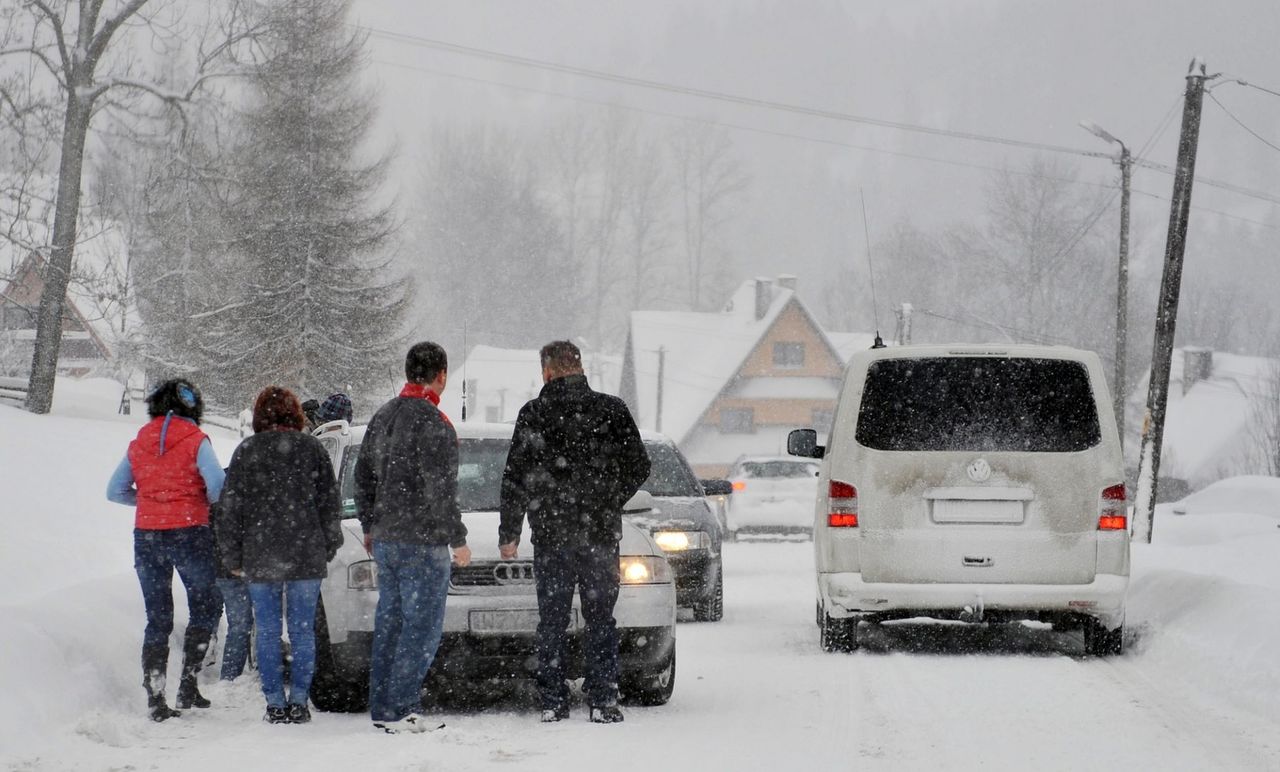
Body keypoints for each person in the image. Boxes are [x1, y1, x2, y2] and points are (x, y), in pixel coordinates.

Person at [498, 340, 650, 724]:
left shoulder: (534, 414)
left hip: (551, 536)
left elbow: (515, 477)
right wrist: (611, 497)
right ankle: (603, 699)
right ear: (580, 368)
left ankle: (553, 699)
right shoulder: (610, 410)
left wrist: (510, 531)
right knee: (601, 619)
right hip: (599, 534)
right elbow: (640, 464)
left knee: (552, 620)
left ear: (547, 371)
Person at [356, 341, 471, 734]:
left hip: (387, 539)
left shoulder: (382, 416)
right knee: (421, 628)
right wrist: (457, 538)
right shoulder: (435, 424)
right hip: (422, 540)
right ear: (441, 375)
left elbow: (363, 477)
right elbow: (440, 488)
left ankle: (382, 706)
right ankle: (401, 707)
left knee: (390, 623)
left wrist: (370, 525)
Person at [214, 386, 342, 724]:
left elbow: (229, 510)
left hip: (261, 554)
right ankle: (299, 701)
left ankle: (274, 703)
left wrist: (233, 556)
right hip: (306, 554)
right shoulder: (313, 449)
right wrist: (328, 545)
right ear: (295, 415)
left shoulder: (247, 452)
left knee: (268, 631)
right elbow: (331, 504)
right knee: (303, 632)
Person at [106, 378, 224, 722]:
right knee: (207, 602)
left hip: (146, 535)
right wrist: (194, 502)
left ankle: (155, 696)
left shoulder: (138, 442)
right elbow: (217, 485)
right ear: (194, 408)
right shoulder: (196, 440)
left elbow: (114, 491)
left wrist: (149, 502)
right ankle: (188, 682)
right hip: (189, 531)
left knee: (157, 617)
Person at [208, 497, 253, 682]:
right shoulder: (252, 489)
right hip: (234, 570)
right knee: (240, 625)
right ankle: (229, 677)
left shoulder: (214, 487)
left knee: (208, 615)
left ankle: (201, 658)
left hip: (208, 564)